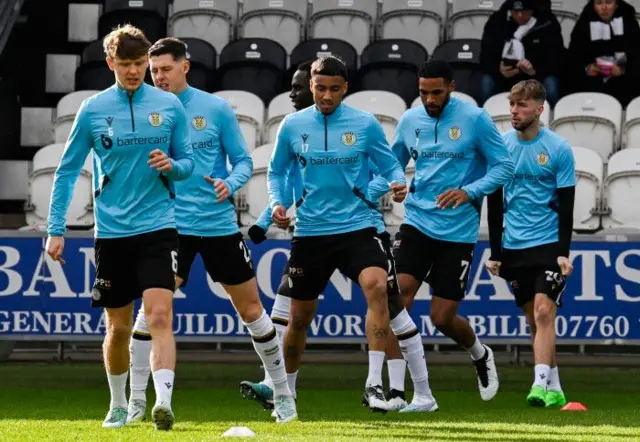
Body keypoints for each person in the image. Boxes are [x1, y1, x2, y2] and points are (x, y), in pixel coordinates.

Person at [241, 61, 437, 413]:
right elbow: (277, 172)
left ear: (345, 88)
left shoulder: (364, 125)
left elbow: (389, 164)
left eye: (334, 89)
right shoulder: (293, 125)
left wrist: (398, 183)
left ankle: (373, 385)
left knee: (377, 287)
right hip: (312, 232)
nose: (326, 96)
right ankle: (286, 394)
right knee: (298, 318)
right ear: (312, 86)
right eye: (320, 88)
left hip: (359, 228)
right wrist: (278, 204)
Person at [125, 37, 297, 424]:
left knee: (252, 310)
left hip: (218, 226)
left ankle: (283, 395)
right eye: (155, 71)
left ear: (185, 67)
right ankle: (138, 401)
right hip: (167, 227)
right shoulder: (144, 110)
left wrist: (230, 183)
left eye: (166, 69)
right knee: (151, 314)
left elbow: (241, 161)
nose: (159, 77)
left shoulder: (214, 108)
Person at [45, 26, 194, 430]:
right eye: (125, 64)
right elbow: (67, 171)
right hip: (111, 233)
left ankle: (163, 402)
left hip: (159, 226)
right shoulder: (93, 109)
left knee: (160, 315)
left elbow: (189, 163)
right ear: (110, 63)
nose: (134, 71)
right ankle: (119, 404)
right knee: (120, 327)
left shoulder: (168, 105)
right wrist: (55, 228)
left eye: (139, 63)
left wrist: (173, 166)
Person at [390, 59, 514, 402]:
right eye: (423, 93)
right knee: (397, 300)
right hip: (416, 221)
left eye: (436, 92)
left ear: (451, 87)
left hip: (458, 231)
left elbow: (504, 166)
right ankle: (397, 391)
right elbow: (391, 163)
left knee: (442, 317)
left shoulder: (474, 119)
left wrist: (470, 191)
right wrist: (395, 182)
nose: (429, 99)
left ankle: (479, 354)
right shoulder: (409, 119)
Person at [486, 79, 575, 408]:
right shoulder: (502, 147)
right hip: (514, 246)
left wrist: (564, 252)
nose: (514, 111)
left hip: (549, 244)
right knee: (534, 319)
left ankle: (538, 385)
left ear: (539, 109)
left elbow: (566, 205)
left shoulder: (558, 149)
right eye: (512, 104)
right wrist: (496, 252)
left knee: (542, 313)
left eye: (522, 105)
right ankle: (556, 387)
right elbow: (494, 203)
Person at [480, 0, 564, 106]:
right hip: (503, 77)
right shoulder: (497, 22)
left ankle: (554, 116)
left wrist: (534, 71)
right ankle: (483, 117)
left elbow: (557, 58)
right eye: (516, 11)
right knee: (487, 82)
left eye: (524, 11)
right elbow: (485, 56)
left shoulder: (547, 23)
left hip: (537, 76)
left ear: (532, 9)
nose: (520, 15)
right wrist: (499, 69)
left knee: (551, 84)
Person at [564, 0, 640, 107]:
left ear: (617, 5)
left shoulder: (628, 23)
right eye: (599, 3)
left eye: (608, 3)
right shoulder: (584, 24)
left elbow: (636, 53)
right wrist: (587, 69)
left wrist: (623, 70)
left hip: (623, 78)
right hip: (592, 79)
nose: (604, 8)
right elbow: (573, 56)